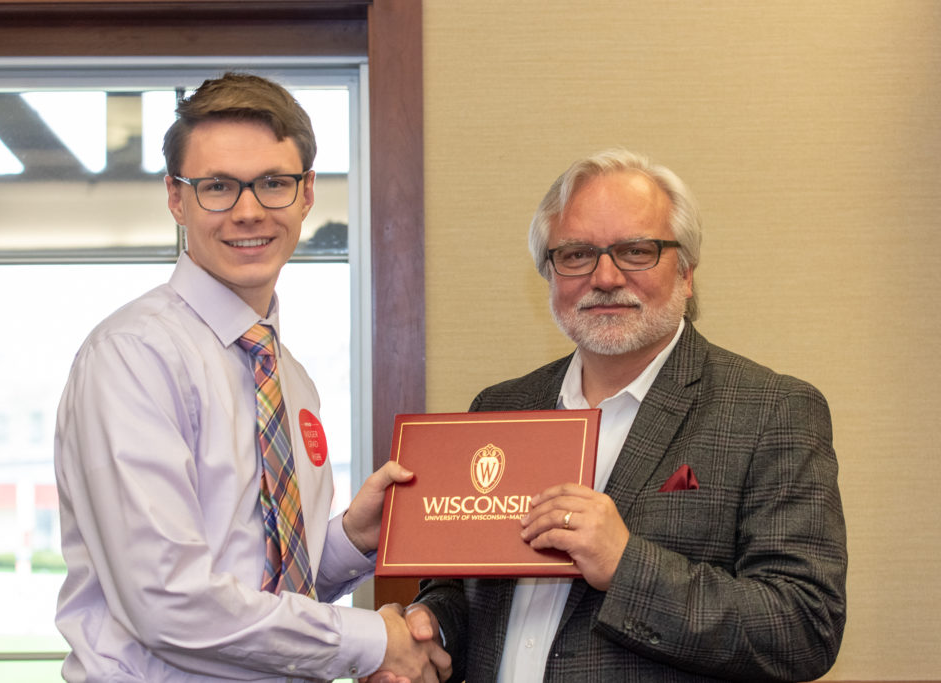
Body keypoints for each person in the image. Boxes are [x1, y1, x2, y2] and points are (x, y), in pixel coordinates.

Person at [387, 149, 847, 682]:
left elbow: (805, 627)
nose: (604, 277)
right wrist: (429, 628)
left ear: (688, 272)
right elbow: (464, 587)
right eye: (577, 254)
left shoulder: (773, 410)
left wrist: (626, 566)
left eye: (635, 251)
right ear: (551, 274)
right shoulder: (500, 407)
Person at [54, 72, 450, 683]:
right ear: (175, 198)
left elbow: (262, 588)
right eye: (217, 187)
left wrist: (349, 539)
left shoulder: (290, 378)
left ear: (307, 193)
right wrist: (376, 641)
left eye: (273, 183)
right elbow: (169, 602)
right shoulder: (133, 357)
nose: (248, 212)